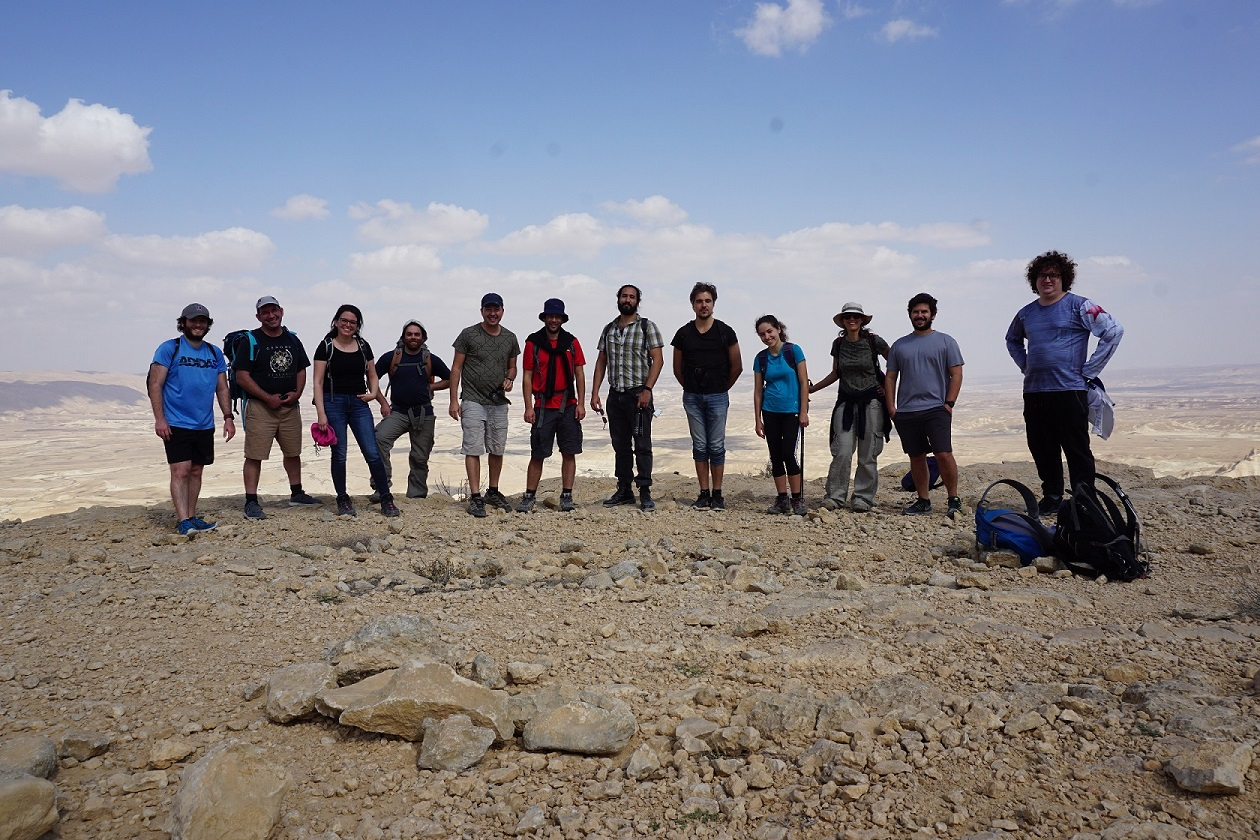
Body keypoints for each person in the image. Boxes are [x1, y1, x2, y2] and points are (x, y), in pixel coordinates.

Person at [1005, 250, 1124, 514]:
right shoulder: (1026, 313)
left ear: (1064, 279)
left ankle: (1084, 499)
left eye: (1053, 275)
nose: (1047, 280)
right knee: (1041, 446)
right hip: (1035, 391)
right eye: (1042, 275)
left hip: (1069, 390)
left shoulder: (1079, 306)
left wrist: (1090, 369)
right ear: (1034, 280)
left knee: (1076, 448)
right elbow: (1012, 339)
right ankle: (1052, 496)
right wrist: (1026, 365)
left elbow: (1114, 331)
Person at [147, 303, 235, 536]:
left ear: (208, 325)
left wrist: (228, 417)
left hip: (203, 423)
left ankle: (192, 516)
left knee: (196, 471)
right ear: (183, 323)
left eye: (202, 321)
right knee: (181, 471)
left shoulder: (214, 353)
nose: (198, 325)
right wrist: (160, 418)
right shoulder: (169, 348)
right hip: (176, 422)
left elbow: (222, 388)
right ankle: (183, 520)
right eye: (193, 320)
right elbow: (155, 384)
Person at [234, 295, 321, 520]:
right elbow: (241, 376)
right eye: (265, 312)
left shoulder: (292, 339)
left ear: (281, 311)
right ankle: (251, 501)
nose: (271, 315)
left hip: (289, 406)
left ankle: (297, 493)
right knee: (254, 455)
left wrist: (297, 393)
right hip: (260, 407)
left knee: (292, 452)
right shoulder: (251, 340)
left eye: (274, 310)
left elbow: (301, 368)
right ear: (258, 316)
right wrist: (266, 397)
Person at [312, 305, 399, 519]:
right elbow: (318, 381)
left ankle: (386, 498)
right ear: (336, 321)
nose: (348, 325)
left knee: (372, 451)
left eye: (353, 322)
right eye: (344, 320)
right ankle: (342, 498)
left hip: (359, 403)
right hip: (334, 402)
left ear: (358, 325)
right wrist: (321, 413)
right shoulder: (326, 346)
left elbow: (372, 374)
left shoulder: (362, 345)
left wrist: (373, 394)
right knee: (339, 453)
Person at [885, 293, 964, 518]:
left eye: (924, 312)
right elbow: (890, 377)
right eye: (915, 312)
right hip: (907, 411)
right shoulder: (900, 345)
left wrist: (949, 403)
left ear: (933, 315)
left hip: (936, 408)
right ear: (910, 315)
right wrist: (891, 407)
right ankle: (923, 500)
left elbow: (956, 374)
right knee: (916, 456)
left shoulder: (946, 341)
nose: (920, 315)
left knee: (943, 454)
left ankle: (953, 499)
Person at [808, 302, 890, 513]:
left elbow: (894, 363)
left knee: (868, 453)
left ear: (862, 320)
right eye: (847, 317)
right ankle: (835, 496)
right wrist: (812, 389)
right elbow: (836, 372)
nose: (851, 319)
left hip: (871, 402)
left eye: (855, 316)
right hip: (846, 402)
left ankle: (863, 497)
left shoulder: (873, 341)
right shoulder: (839, 344)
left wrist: (886, 388)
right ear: (843, 321)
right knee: (842, 451)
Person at [590, 284, 664, 512]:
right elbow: (602, 361)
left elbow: (658, 360)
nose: (627, 300)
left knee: (642, 445)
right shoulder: (609, 329)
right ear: (618, 299)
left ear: (637, 301)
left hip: (639, 396)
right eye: (624, 296)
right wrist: (595, 392)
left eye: (632, 297)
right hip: (616, 396)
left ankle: (645, 491)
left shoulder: (647, 327)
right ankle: (624, 490)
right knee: (620, 446)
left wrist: (647, 390)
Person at [672, 283, 742, 510]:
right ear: (693, 304)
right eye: (699, 301)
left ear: (713, 303)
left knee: (717, 445)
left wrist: (722, 387)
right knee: (700, 445)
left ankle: (717, 494)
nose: (704, 305)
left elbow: (737, 366)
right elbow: (677, 368)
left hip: (717, 396)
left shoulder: (725, 332)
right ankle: (704, 494)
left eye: (708, 301)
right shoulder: (683, 333)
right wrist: (690, 387)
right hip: (692, 397)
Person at [449, 293, 520, 518]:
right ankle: (475, 496)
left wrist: (509, 378)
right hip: (472, 399)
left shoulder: (510, 338)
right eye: (488, 309)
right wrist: (453, 400)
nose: (492, 313)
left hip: (498, 401)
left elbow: (512, 367)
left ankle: (493, 491)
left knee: (497, 448)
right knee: (473, 448)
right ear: (481, 311)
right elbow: (456, 368)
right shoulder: (468, 334)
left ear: (502, 311)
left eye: (496, 309)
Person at [517, 299, 586, 513]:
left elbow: (579, 373)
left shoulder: (571, 342)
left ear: (562, 319)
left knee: (569, 451)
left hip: (568, 405)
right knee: (538, 453)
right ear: (545, 318)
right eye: (550, 316)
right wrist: (528, 407)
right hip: (543, 406)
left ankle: (567, 495)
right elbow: (527, 377)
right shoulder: (533, 343)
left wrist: (581, 403)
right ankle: (529, 496)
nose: (554, 320)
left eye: (557, 317)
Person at [372, 319, 451, 501]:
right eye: (409, 334)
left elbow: (450, 379)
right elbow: (372, 378)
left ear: (423, 337)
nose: (413, 337)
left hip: (424, 413)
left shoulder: (430, 359)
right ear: (403, 336)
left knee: (420, 457)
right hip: (398, 412)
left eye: (417, 334)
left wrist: (431, 387)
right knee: (379, 438)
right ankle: (381, 488)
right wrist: (383, 403)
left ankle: (416, 496)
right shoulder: (391, 358)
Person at [751, 315, 809, 516]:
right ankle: (782, 499)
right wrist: (758, 419)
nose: (767, 337)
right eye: (762, 334)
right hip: (770, 411)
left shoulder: (793, 351)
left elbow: (804, 382)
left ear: (778, 329)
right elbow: (758, 391)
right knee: (775, 455)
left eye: (769, 331)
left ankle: (797, 498)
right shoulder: (760, 358)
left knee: (788, 453)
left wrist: (803, 411)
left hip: (791, 411)